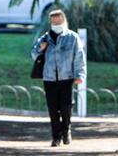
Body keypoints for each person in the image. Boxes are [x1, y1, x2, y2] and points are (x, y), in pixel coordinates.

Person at [31, 9, 86, 147]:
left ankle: (66, 130)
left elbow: (79, 57)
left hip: (66, 77)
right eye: (53, 21)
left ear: (64, 21)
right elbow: (33, 54)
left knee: (66, 107)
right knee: (53, 108)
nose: (56, 23)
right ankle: (56, 137)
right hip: (49, 78)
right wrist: (40, 49)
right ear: (50, 22)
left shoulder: (72, 37)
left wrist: (80, 74)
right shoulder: (45, 38)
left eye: (59, 20)